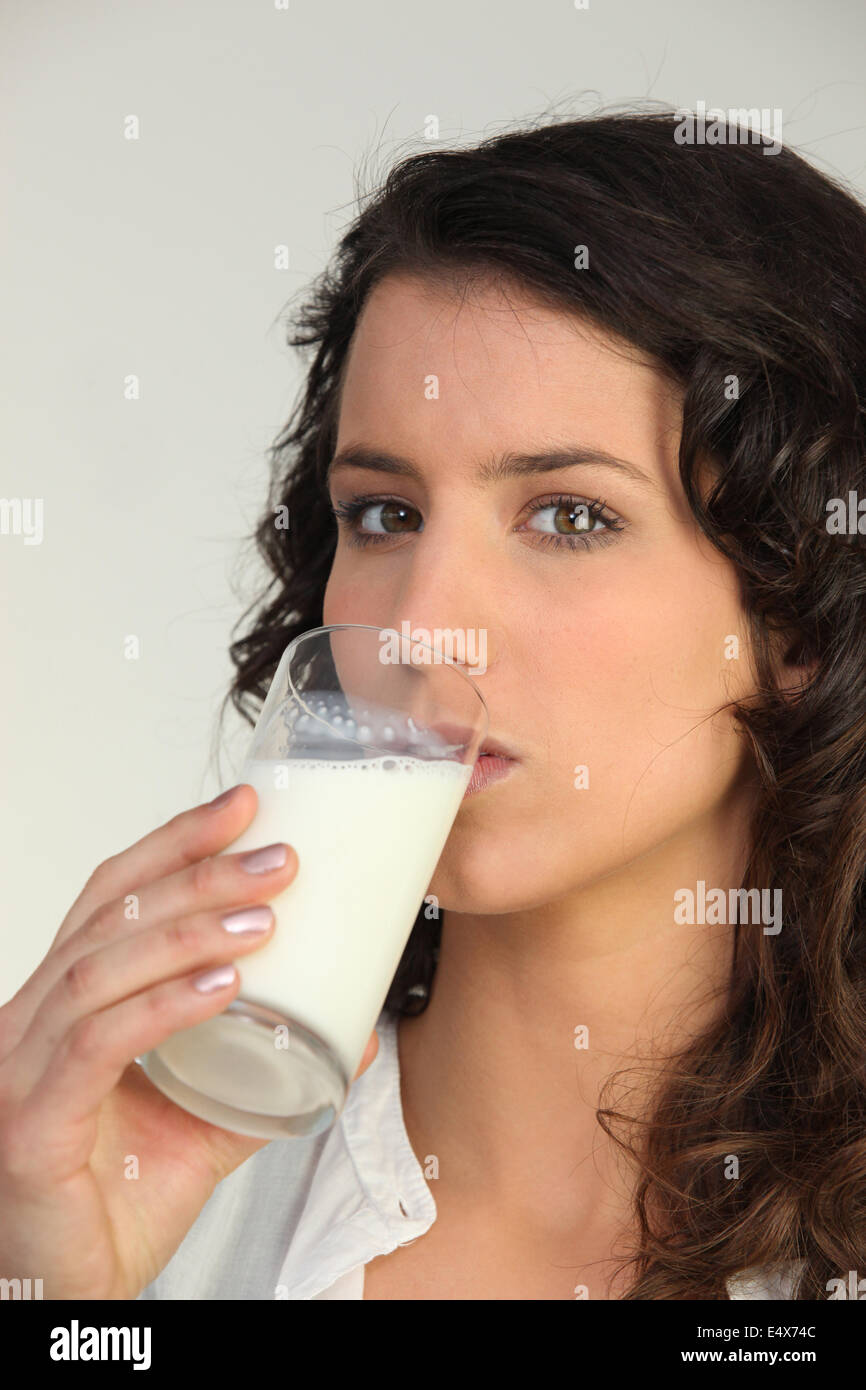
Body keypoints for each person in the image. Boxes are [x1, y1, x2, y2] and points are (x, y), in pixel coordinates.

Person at [2, 108, 864, 1300]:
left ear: (801, 613)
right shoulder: (123, 1195)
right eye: (384, 514)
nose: (417, 628)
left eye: (568, 516)